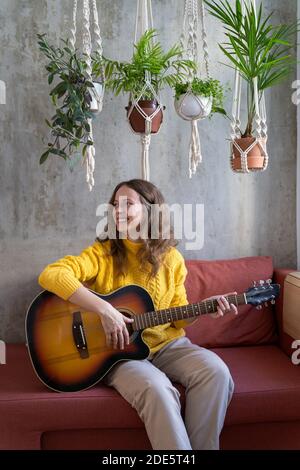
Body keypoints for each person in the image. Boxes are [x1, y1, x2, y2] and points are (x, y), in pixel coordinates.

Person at [38, 178, 237, 450]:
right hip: (117, 351)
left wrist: (205, 308)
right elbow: (52, 274)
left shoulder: (172, 259)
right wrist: (105, 309)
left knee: (216, 372)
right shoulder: (103, 253)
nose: (118, 210)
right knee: (158, 389)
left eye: (127, 204)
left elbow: (177, 315)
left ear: (150, 210)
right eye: (115, 205)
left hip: (168, 345)